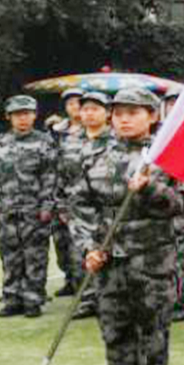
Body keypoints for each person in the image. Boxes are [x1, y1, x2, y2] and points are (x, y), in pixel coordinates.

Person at [72, 88, 184, 365]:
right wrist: (89, 247)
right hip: (109, 260)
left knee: (151, 329)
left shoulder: (167, 156)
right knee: (115, 329)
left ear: (151, 116)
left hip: (151, 260)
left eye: (133, 113)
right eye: (119, 113)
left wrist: (150, 188)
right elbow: (80, 206)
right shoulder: (95, 156)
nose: (124, 119)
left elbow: (183, 205)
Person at [0, 95, 59, 318]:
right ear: (8, 117)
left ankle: (33, 300)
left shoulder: (45, 142)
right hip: (6, 211)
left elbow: (51, 176)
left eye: (26, 114)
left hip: (35, 211)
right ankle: (12, 299)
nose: (22, 118)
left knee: (35, 257)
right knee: (9, 257)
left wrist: (48, 205)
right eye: (17, 115)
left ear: (34, 115)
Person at [57, 88, 115, 320]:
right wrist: (61, 205)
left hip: (107, 210)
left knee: (108, 254)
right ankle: (87, 300)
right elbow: (61, 175)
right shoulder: (70, 142)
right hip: (77, 211)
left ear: (107, 113)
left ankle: (109, 301)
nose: (89, 113)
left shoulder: (116, 141)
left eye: (95, 109)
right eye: (85, 109)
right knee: (79, 255)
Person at [47, 88, 86, 297]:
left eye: (79, 103)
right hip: (58, 192)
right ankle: (70, 280)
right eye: (70, 103)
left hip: (81, 194)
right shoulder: (56, 130)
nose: (75, 107)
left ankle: (85, 288)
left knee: (79, 244)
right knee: (61, 242)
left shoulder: (93, 129)